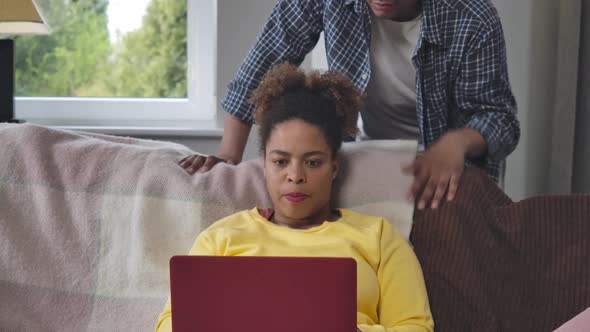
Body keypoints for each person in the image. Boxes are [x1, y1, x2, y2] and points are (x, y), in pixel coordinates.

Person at [158, 64, 434, 332]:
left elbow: (415, 326)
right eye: (280, 162)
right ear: (264, 164)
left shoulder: (379, 238)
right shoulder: (220, 239)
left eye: (313, 163)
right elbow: (171, 323)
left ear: (334, 167)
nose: (295, 176)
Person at [178, 0, 520, 211]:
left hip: (444, 173)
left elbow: (501, 119)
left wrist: (455, 144)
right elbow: (262, 66)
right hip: (365, 161)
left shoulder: (472, 17)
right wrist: (228, 155)